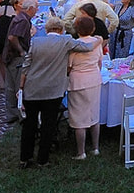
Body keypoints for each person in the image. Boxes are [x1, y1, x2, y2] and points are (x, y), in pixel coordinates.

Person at [17, 15, 98, 168]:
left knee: (29, 124)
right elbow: (86, 47)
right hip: (53, 91)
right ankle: (43, 159)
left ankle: (25, 158)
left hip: (33, 89)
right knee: (49, 125)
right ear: (61, 30)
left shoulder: (35, 42)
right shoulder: (65, 40)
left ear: (47, 29)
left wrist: (21, 88)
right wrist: (99, 40)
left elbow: (25, 67)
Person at [67, 15, 104, 160]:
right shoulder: (97, 42)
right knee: (94, 114)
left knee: (79, 118)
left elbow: (69, 67)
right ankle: (95, 148)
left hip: (78, 81)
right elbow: (99, 62)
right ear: (93, 28)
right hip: (94, 79)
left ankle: (81, 152)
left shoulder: (74, 45)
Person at [3, 0, 36, 123]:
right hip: (16, 57)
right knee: (18, 87)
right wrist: (22, 51)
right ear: (31, 8)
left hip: (10, 56)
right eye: (36, 8)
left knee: (10, 86)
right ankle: (21, 115)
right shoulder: (23, 20)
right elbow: (12, 37)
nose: (37, 10)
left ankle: (11, 114)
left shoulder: (20, 18)